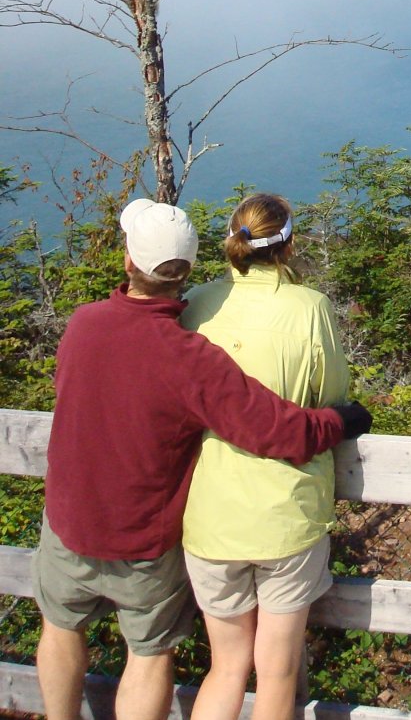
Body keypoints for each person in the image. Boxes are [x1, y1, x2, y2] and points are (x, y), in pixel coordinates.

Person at [33, 197, 366, 720]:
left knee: (59, 627)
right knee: (148, 654)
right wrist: (342, 422)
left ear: (128, 260)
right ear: (186, 270)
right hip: (145, 535)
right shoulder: (185, 353)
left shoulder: (83, 325)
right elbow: (275, 428)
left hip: (68, 522)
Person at [180, 193, 370, 720]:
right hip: (288, 514)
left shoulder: (196, 304)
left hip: (211, 517)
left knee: (225, 667)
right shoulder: (310, 309)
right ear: (288, 244)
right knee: (277, 669)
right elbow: (332, 400)